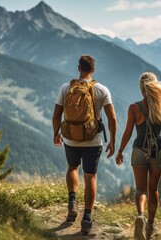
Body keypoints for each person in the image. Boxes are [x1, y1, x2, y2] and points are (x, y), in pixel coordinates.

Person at [52, 54, 117, 234]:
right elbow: (112, 117)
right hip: (93, 141)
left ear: (79, 68)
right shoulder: (102, 90)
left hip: (71, 138)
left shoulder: (66, 88)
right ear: (93, 70)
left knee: (72, 168)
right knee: (90, 177)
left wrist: (56, 133)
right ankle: (87, 218)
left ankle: (72, 202)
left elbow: (57, 115)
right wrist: (112, 140)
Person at [115, 72, 161, 240]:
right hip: (158, 151)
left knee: (140, 188)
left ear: (141, 90)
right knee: (153, 189)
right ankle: (150, 225)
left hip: (139, 151)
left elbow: (127, 132)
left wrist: (120, 151)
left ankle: (140, 216)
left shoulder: (134, 108)